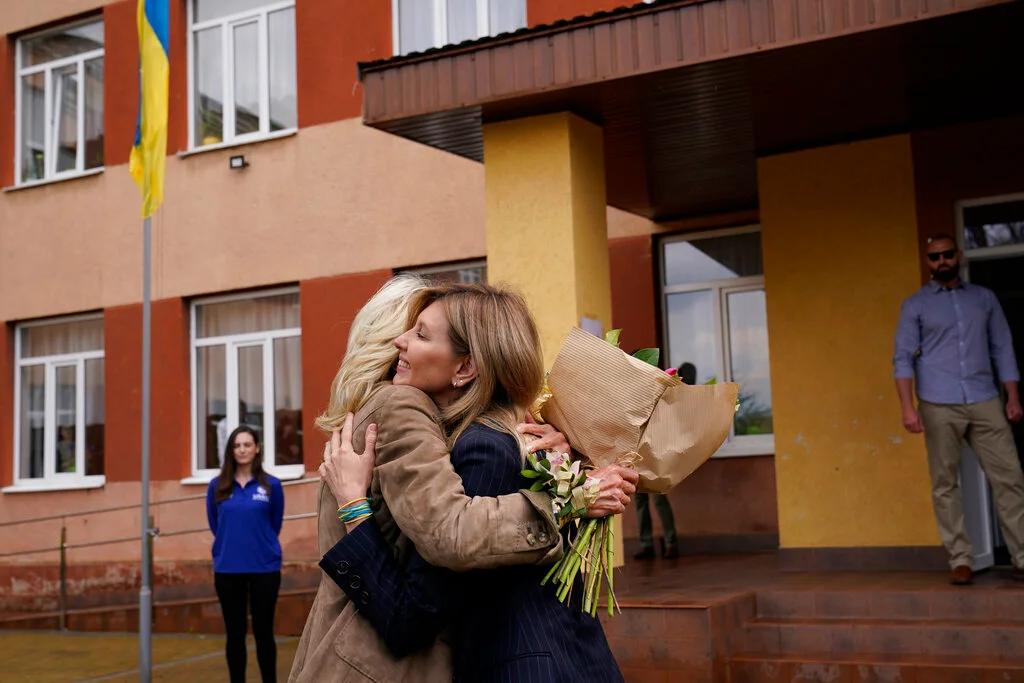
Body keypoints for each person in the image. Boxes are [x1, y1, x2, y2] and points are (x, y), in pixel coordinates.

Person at [288, 276, 637, 683]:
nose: (402, 340)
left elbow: (431, 578)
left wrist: (568, 492)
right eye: (409, 327)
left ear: (466, 366)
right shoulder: (429, 416)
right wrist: (568, 494)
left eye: (420, 333)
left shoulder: (477, 440)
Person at [894, 234, 1024, 585]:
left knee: (1009, 478)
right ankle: (961, 559)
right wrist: (908, 408)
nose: (941, 262)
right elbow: (902, 358)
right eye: (934, 257)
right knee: (944, 484)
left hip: (984, 398)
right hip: (938, 402)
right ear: (928, 261)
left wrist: (1013, 396)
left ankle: (1022, 557)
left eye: (947, 255)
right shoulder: (915, 305)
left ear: (959, 256)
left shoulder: (984, 299)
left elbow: (1003, 347)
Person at [206, 425, 285, 683]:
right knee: (235, 634)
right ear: (231, 450)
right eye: (237, 445)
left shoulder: (272, 485)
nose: (242, 450)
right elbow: (215, 525)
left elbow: (275, 524)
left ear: (257, 448)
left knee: (264, 633)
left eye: (247, 445)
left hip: (265, 569)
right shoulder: (217, 487)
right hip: (228, 569)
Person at [632, 362, 690, 561]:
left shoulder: (658, 390)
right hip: (634, 453)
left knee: (658, 498)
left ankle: (671, 543)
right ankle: (646, 544)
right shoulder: (633, 392)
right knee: (639, 501)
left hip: (655, 452)